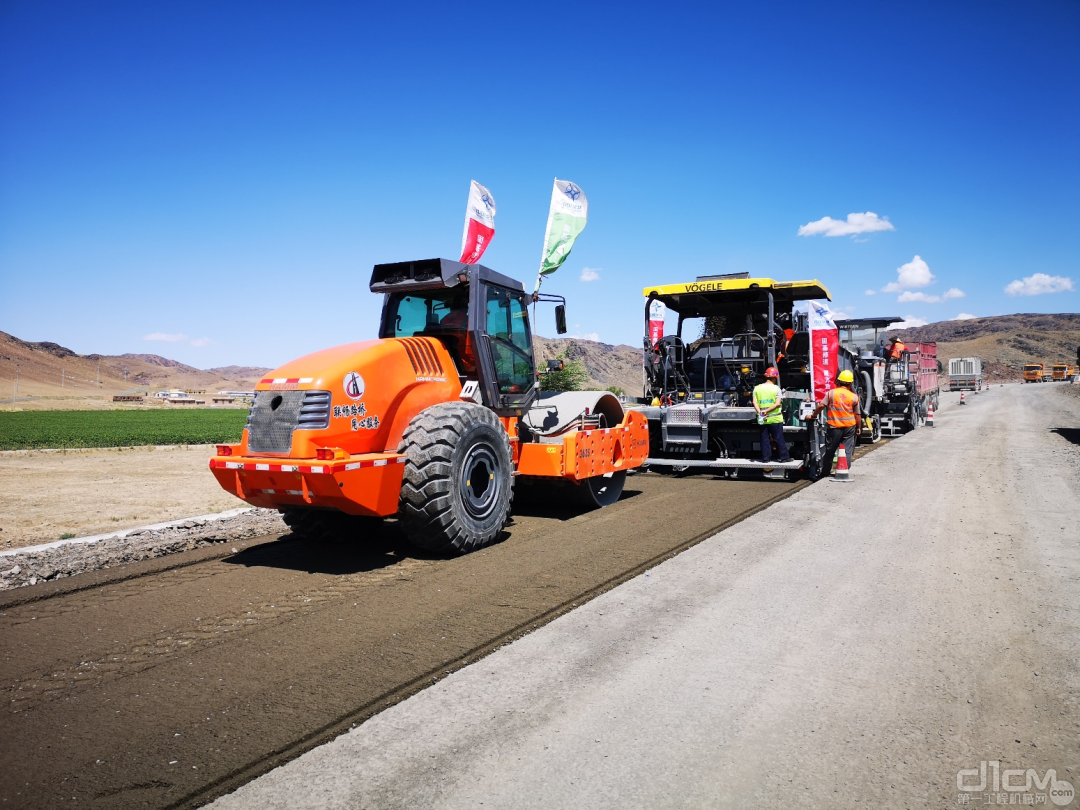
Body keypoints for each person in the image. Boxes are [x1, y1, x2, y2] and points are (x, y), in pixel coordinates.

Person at [806, 369, 861, 475]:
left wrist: (813, 415)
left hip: (834, 427)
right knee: (847, 450)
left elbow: (821, 405)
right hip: (849, 427)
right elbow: (858, 414)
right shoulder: (854, 397)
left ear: (838, 381)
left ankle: (825, 472)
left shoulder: (831, 394)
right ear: (850, 383)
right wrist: (859, 428)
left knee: (830, 450)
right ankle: (844, 469)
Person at [753, 367, 791, 464]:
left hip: (762, 418)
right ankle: (784, 457)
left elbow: (755, 402)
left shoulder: (757, 388)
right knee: (778, 438)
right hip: (775, 418)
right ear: (774, 378)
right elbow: (777, 404)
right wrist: (767, 411)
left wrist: (761, 412)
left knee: (764, 438)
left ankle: (766, 458)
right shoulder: (776, 389)